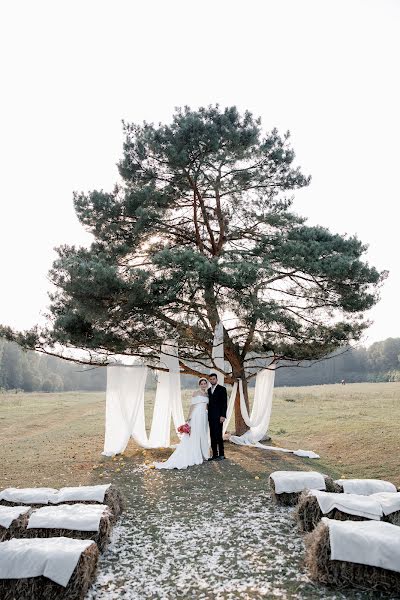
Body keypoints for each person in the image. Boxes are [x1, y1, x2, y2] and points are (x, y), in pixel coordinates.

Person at [154, 378, 209, 470]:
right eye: (202, 384)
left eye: (204, 384)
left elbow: (207, 406)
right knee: (195, 434)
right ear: (199, 385)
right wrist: (189, 417)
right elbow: (192, 405)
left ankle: (202, 453)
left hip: (204, 415)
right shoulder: (196, 393)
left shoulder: (207, 394)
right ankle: (194, 454)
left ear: (206, 385)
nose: (203, 385)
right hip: (196, 415)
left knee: (202, 433)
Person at [207, 373, 227, 461]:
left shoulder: (222, 389)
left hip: (219, 416)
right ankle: (215, 454)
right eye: (210, 379)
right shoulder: (208, 390)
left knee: (219, 435)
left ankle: (222, 454)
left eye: (213, 379)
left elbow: (224, 403)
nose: (212, 380)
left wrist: (223, 415)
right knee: (212, 435)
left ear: (217, 379)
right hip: (210, 416)